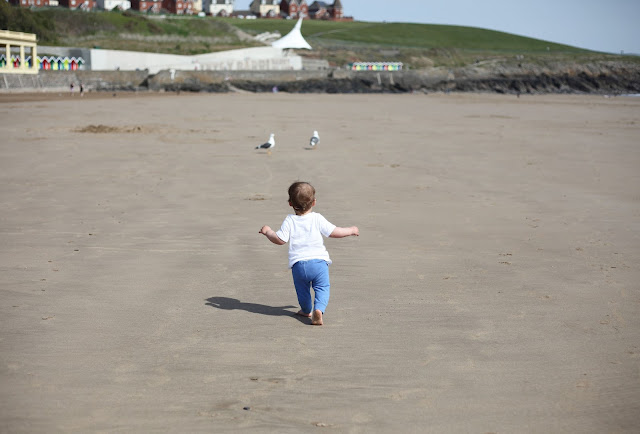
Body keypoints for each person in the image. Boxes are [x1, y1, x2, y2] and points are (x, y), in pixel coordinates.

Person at [259, 182, 359, 326]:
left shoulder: (290, 220)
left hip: (299, 265)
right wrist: (351, 230)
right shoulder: (317, 218)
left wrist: (268, 232)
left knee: (302, 290)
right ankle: (319, 309)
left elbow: (280, 240)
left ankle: (306, 310)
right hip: (319, 264)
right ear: (314, 202)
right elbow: (334, 232)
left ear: (290, 203)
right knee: (322, 287)